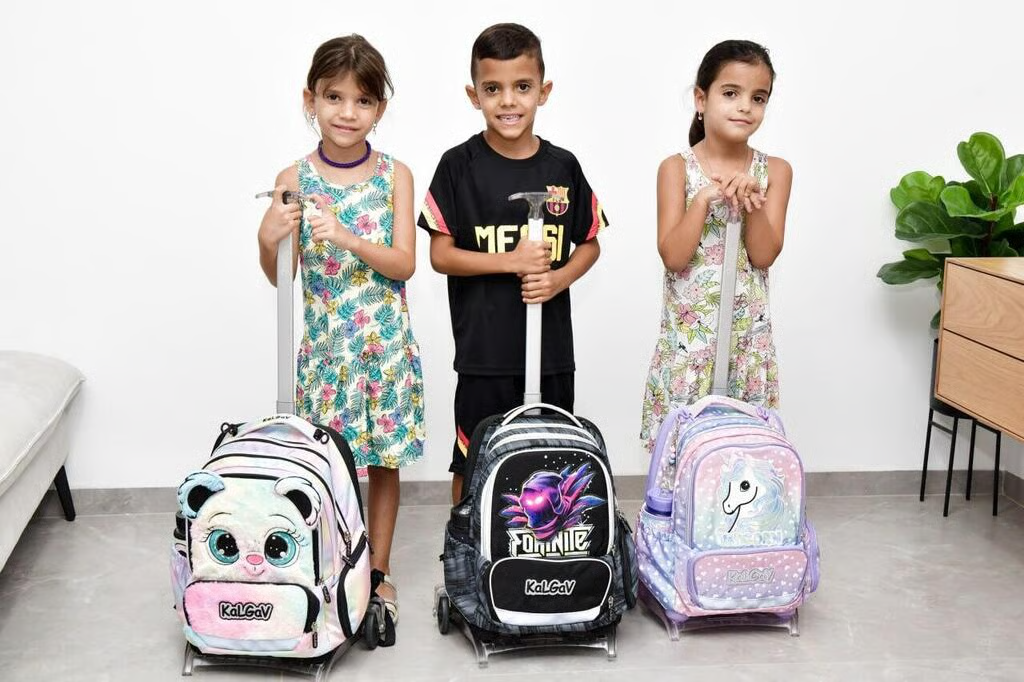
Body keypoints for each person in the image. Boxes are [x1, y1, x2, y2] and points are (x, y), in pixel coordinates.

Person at [256, 34, 424, 627]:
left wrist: (349, 238)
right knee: (330, 465)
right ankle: (333, 567)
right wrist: (268, 238)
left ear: (379, 108)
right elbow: (282, 277)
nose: (347, 112)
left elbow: (405, 264)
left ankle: (377, 572)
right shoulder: (294, 176)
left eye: (362, 100)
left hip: (384, 350)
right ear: (311, 100)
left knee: (384, 464)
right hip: (328, 355)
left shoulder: (396, 175)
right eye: (334, 97)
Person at [417, 23, 609, 504]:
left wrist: (558, 278)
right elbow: (441, 255)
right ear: (473, 95)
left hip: (551, 355)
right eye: (493, 89)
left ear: (543, 91)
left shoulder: (563, 167)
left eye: (522, 87)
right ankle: (464, 547)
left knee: (549, 460)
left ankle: (543, 545)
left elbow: (590, 244)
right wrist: (511, 260)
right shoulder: (458, 166)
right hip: (485, 355)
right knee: (474, 458)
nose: (508, 101)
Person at [639, 39, 792, 453]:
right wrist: (704, 200)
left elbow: (763, 255)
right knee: (680, 457)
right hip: (689, 348)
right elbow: (674, 257)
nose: (745, 107)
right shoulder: (676, 168)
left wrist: (751, 201)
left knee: (741, 459)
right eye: (731, 93)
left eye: (758, 98)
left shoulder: (775, 171)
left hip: (747, 345)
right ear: (701, 99)